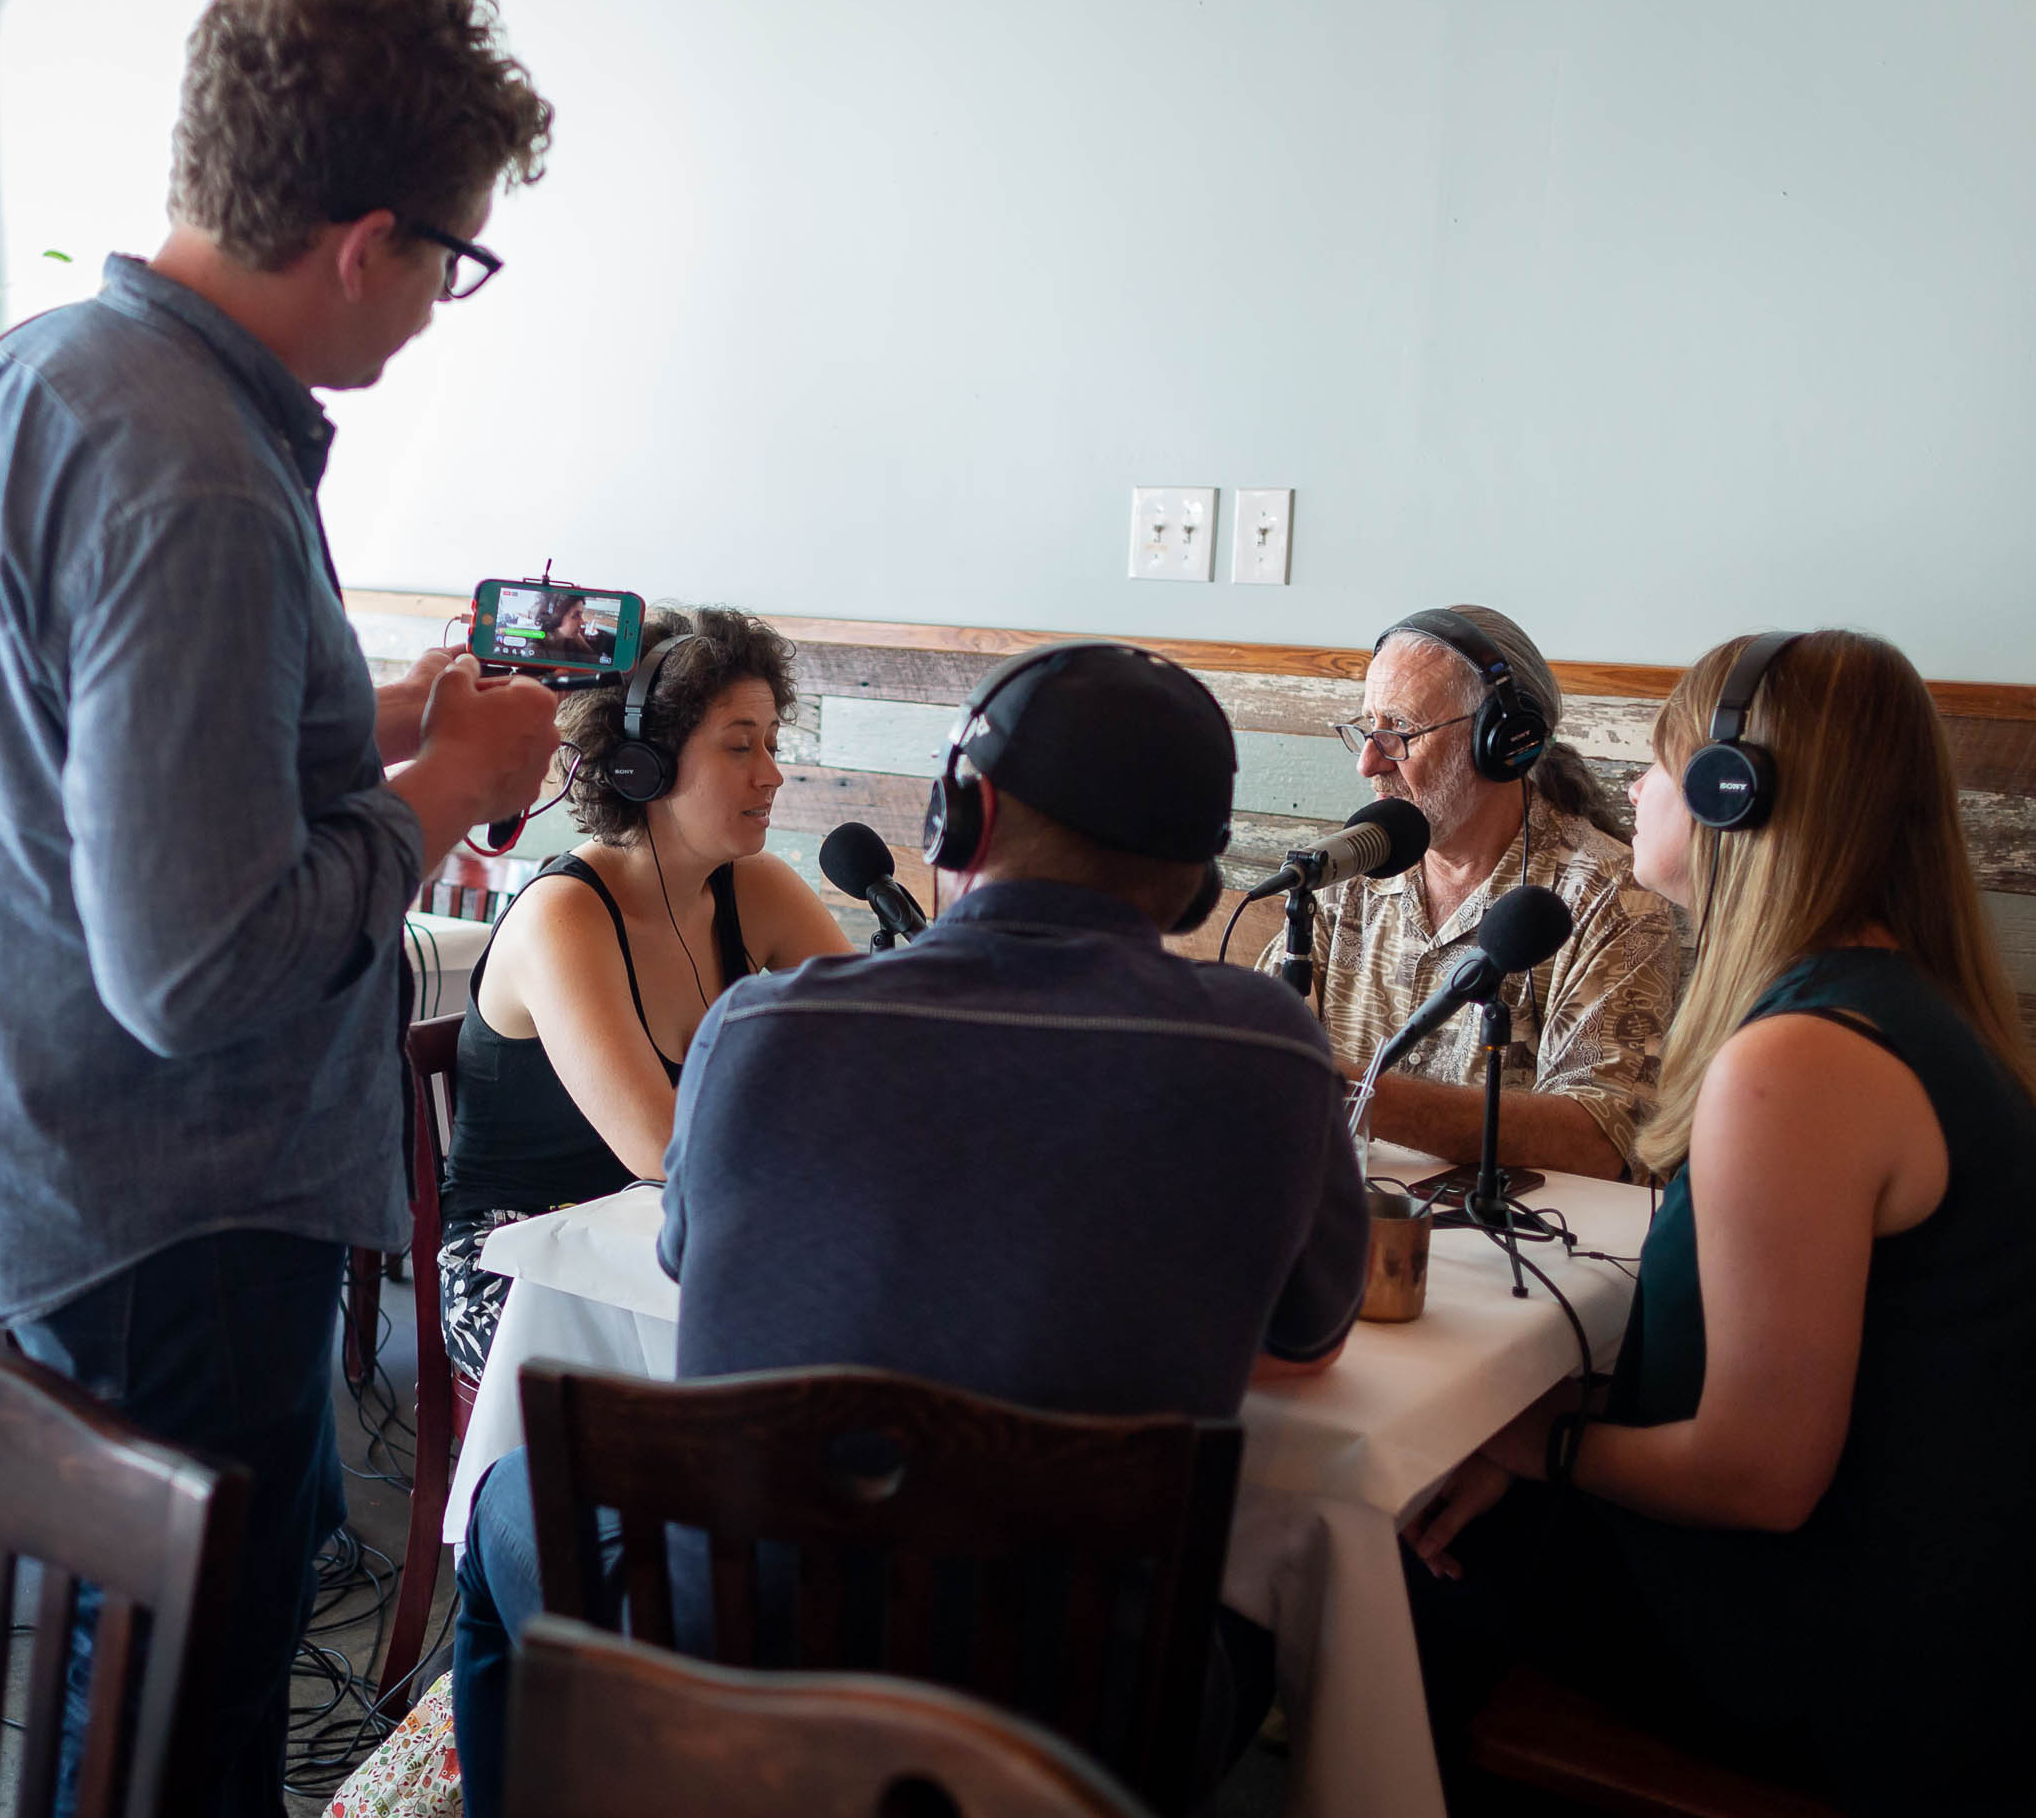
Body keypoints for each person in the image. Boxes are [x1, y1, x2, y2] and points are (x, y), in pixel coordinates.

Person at [0, 0, 559, 1811]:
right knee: (185, 1729)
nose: (438, 307)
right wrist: (444, 788)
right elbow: (195, 963)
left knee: (117, 1693)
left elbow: (80, 747)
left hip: (41, 1179)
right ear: (368, 239)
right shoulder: (196, 471)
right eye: (454, 259)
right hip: (173, 1221)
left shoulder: (45, 376)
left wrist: (355, 705)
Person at [449, 642, 1374, 1817]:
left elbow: (701, 1258)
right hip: (1069, 1733)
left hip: (733, 1683)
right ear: (1195, 879)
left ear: (955, 816)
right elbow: (1311, 1343)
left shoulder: (757, 1032)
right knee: (1267, 1612)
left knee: (500, 1501)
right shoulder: (1271, 1050)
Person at [1399, 630, 2036, 1813]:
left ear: (1738, 797)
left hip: (1862, 1684)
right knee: (1475, 1504)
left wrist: (1528, 1446)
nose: (1634, 781)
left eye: (1665, 758)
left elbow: (1760, 1475)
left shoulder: (1798, 1063)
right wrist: (1537, 1450)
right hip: (1938, 1632)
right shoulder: (1891, 1002)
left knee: (1404, 1555)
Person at [437, 606, 851, 1376]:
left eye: (771, 743)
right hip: (520, 1263)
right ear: (642, 767)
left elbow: (879, 1044)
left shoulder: (754, 886)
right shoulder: (565, 914)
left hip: (683, 1234)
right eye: (738, 746)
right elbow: (659, 1151)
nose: (771, 773)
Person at [1280, 603, 1677, 1178]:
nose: (1369, 762)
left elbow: (1603, 1137)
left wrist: (1350, 1094)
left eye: (1399, 731)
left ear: (1505, 742)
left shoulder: (1608, 895)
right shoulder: (1349, 868)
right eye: (1367, 728)